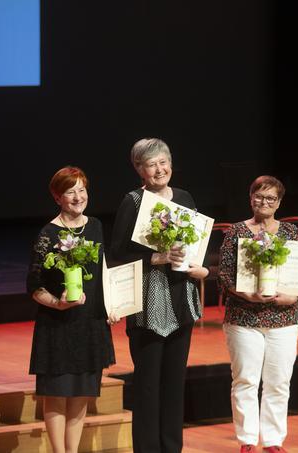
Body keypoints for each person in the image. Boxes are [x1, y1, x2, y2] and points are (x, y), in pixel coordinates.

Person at [110, 138, 209, 453]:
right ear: (140, 169)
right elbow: (117, 255)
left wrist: (198, 267)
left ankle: (172, 447)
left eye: (163, 161)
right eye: (151, 164)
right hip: (148, 303)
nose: (159, 169)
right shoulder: (134, 202)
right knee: (148, 384)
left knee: (174, 382)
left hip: (181, 298)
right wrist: (156, 258)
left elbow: (196, 244)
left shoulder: (183, 197)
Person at [26, 166, 116, 453]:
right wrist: (58, 303)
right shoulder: (48, 233)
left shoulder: (96, 226)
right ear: (57, 197)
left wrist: (112, 304)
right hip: (57, 325)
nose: (78, 197)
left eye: (81, 190)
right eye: (70, 191)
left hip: (90, 323)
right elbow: (34, 285)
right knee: (56, 395)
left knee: (81, 393)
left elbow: (103, 271)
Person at [218, 176, 298, 453]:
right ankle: (248, 440)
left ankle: (274, 441)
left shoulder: (290, 233)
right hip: (244, 318)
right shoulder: (236, 232)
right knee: (246, 379)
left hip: (283, 318)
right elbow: (225, 276)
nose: (264, 203)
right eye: (259, 197)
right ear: (250, 197)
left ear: (279, 202)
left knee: (278, 382)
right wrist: (247, 294)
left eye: (271, 198)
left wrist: (294, 295)